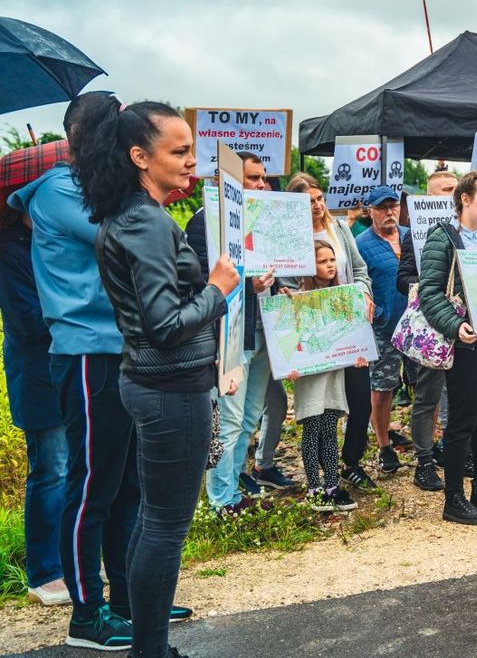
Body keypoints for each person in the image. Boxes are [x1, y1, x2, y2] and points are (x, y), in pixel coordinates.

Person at [71, 95, 239, 657]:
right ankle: (151, 650)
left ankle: (150, 646)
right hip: (168, 387)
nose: (193, 160)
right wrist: (217, 289)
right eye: (181, 151)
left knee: (153, 518)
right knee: (165, 526)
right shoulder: (145, 222)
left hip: (154, 382)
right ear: (140, 156)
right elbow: (165, 325)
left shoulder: (138, 214)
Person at [9, 94, 141, 651]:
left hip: (122, 350)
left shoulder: (96, 187)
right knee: (89, 487)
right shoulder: (61, 190)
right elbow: (126, 235)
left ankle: (132, 601)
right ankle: (86, 615)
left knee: (127, 484)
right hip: (86, 352)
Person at [185, 152, 291, 514]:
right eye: (252, 179)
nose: (261, 185)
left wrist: (276, 290)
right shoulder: (206, 223)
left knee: (248, 417)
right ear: (228, 183)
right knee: (228, 420)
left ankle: (233, 486)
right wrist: (252, 287)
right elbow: (202, 282)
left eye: (263, 178)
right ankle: (220, 500)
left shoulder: (263, 219)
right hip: (230, 336)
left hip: (262, 332)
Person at [417, 171, 477, 524]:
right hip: (468, 343)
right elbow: (429, 293)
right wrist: (456, 326)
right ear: (465, 199)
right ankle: (453, 498)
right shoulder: (442, 237)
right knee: (463, 421)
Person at [284, 174, 376, 485]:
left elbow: (360, 268)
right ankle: (322, 476)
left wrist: (363, 293)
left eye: (320, 198)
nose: (318, 205)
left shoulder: (338, 228)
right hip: (314, 334)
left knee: (360, 400)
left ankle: (351, 462)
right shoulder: (291, 237)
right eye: (309, 202)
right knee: (324, 409)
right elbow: (284, 289)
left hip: (348, 326)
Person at [0, 205, 69, 606]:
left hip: (68, 367)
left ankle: (71, 560)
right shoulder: (10, 248)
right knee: (49, 469)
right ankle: (44, 572)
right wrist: (76, 312)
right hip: (38, 373)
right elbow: (26, 319)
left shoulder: (53, 239)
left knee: (75, 466)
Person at [285, 240, 366, 511]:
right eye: (323, 261)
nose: (330, 265)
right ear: (310, 265)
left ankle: (332, 485)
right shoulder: (296, 297)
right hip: (310, 375)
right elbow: (288, 339)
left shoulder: (343, 296)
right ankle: (313, 488)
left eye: (332, 260)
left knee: (330, 428)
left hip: (334, 373)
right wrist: (290, 364)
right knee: (312, 430)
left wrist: (358, 353)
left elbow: (352, 335)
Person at [396, 169, 458, 491]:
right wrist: (430, 288)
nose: (452, 193)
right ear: (431, 197)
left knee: (458, 395)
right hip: (434, 326)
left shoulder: (470, 230)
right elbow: (402, 278)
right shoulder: (415, 234)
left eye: (455, 188)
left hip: (464, 326)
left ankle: (453, 450)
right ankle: (424, 460)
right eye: (445, 189)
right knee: (428, 396)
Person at [355, 186, 410, 474]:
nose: (390, 212)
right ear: (370, 210)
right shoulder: (361, 244)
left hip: (416, 325)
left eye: (394, 206)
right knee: (383, 385)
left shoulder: (410, 236)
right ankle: (383, 443)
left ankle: (426, 441)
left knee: (425, 384)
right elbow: (356, 281)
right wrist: (376, 313)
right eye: (382, 207)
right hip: (384, 327)